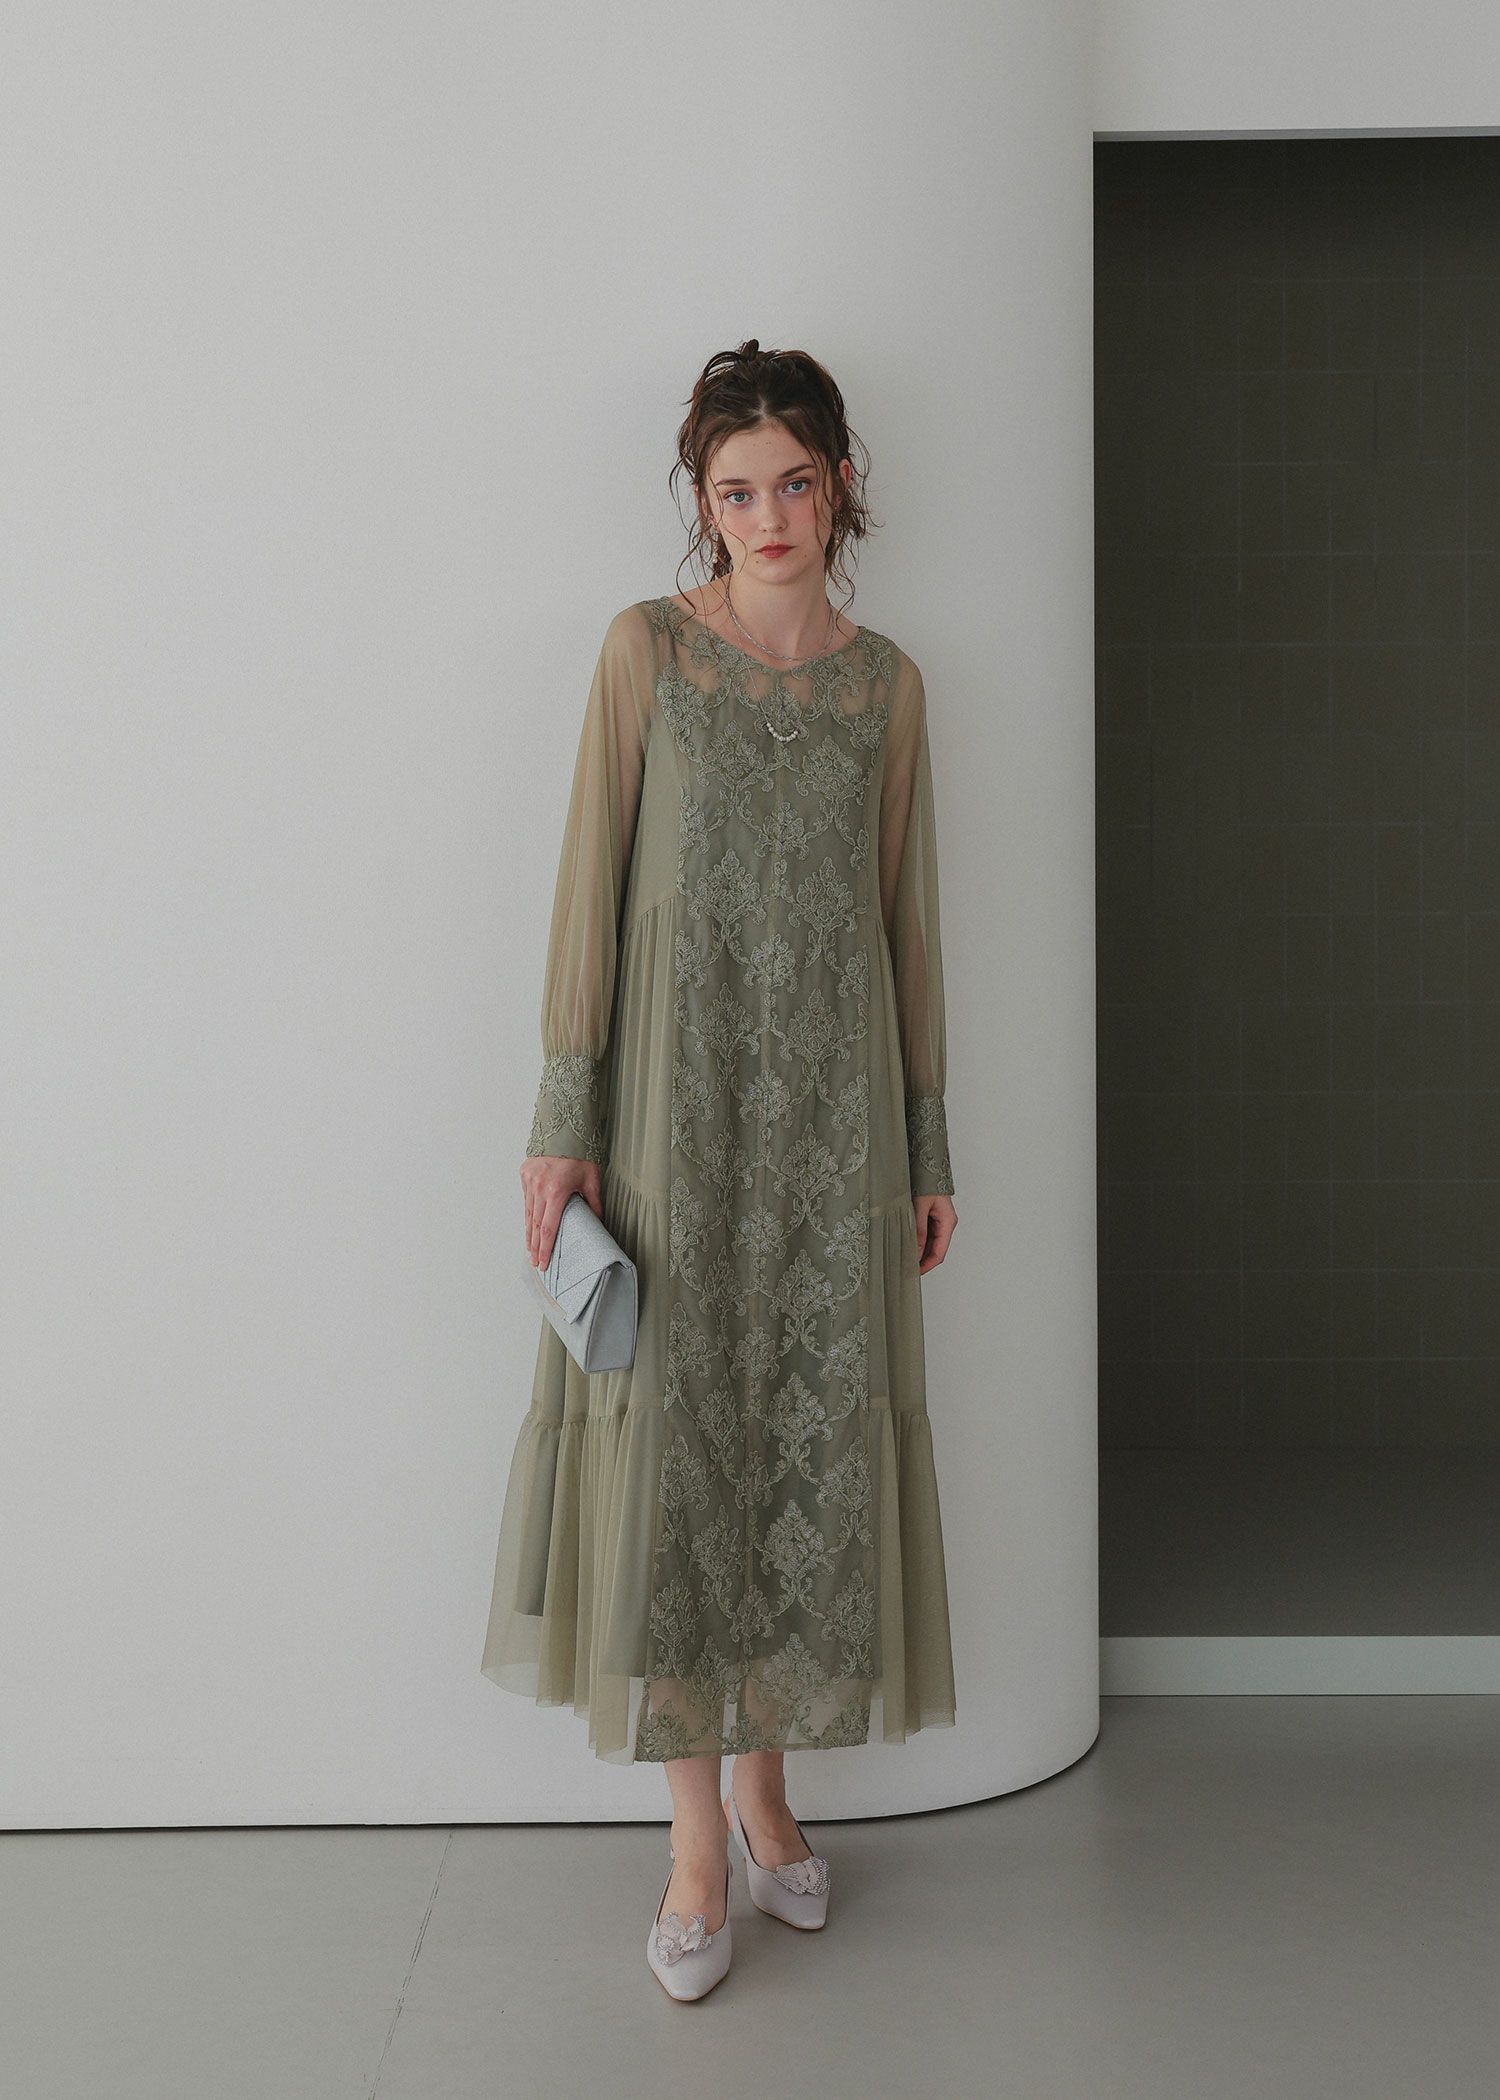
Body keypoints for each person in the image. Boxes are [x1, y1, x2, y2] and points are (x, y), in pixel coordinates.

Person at [481, 340, 959, 2000]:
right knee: (683, 1456)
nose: (768, 516)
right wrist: (564, 1121)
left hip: (835, 1128)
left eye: (794, 484)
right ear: (703, 502)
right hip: (672, 1124)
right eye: (735, 491)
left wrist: (928, 1140)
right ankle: (696, 1845)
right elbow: (589, 893)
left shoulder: (888, 688)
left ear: (840, 489)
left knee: (804, 1443)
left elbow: (906, 925)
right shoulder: (646, 655)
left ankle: (770, 1798)